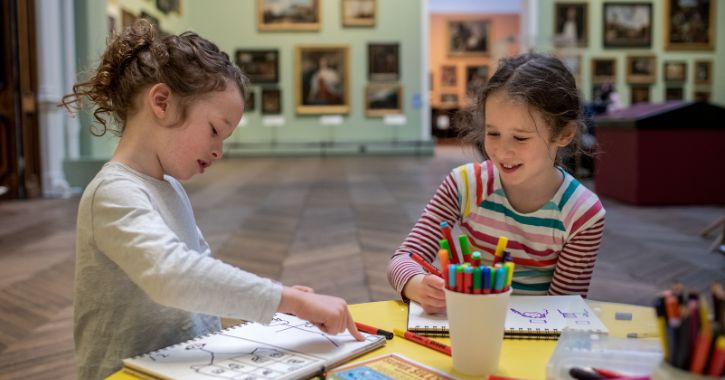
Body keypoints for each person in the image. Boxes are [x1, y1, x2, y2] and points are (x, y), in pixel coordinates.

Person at [62, 19, 363, 380]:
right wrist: (286, 298)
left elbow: (201, 285)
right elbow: (172, 275)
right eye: (215, 131)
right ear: (162, 102)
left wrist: (272, 306)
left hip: (185, 365)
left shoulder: (170, 188)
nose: (219, 151)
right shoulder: (112, 193)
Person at [387, 53, 606, 314]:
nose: (503, 151)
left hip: (535, 345)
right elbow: (402, 260)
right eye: (493, 133)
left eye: (520, 138)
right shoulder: (464, 185)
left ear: (564, 134)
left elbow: (563, 310)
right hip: (468, 330)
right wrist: (417, 284)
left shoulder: (582, 214)